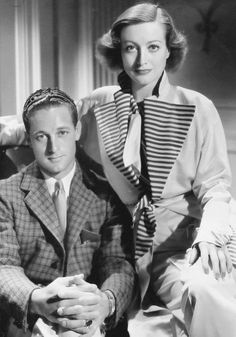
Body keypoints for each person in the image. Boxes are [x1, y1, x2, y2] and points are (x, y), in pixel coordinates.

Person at [1, 3, 236, 337]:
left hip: (186, 244)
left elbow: (216, 188)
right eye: (131, 48)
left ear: (169, 50)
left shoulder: (198, 107)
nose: (142, 61)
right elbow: (52, 125)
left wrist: (212, 236)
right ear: (118, 52)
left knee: (208, 293)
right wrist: (6, 131)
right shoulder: (102, 102)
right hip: (126, 247)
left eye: (153, 47)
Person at [0, 88, 135, 337]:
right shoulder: (6, 193)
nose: (53, 147)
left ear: (77, 131)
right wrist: (35, 298)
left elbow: (118, 262)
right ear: (28, 139)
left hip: (90, 316)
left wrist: (106, 302)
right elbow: (4, 265)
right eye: (41, 136)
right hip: (29, 320)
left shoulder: (106, 194)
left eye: (62, 132)